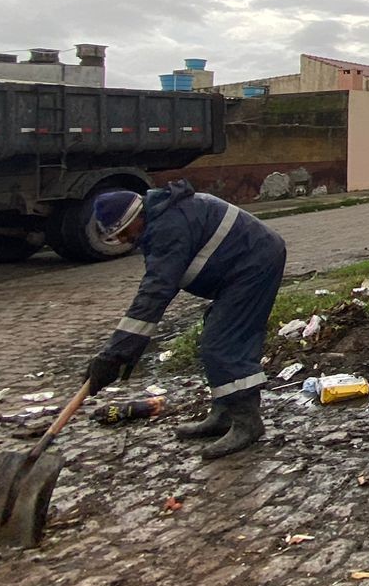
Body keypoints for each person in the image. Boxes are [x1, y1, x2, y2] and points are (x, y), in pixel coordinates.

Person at [85, 180, 286, 459]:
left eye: (123, 232)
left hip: (255, 264)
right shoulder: (159, 219)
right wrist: (118, 353)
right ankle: (224, 413)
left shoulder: (168, 226)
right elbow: (155, 289)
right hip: (240, 266)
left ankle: (247, 422)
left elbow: (156, 291)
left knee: (222, 343)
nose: (122, 240)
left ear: (136, 218)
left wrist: (115, 354)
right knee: (215, 333)